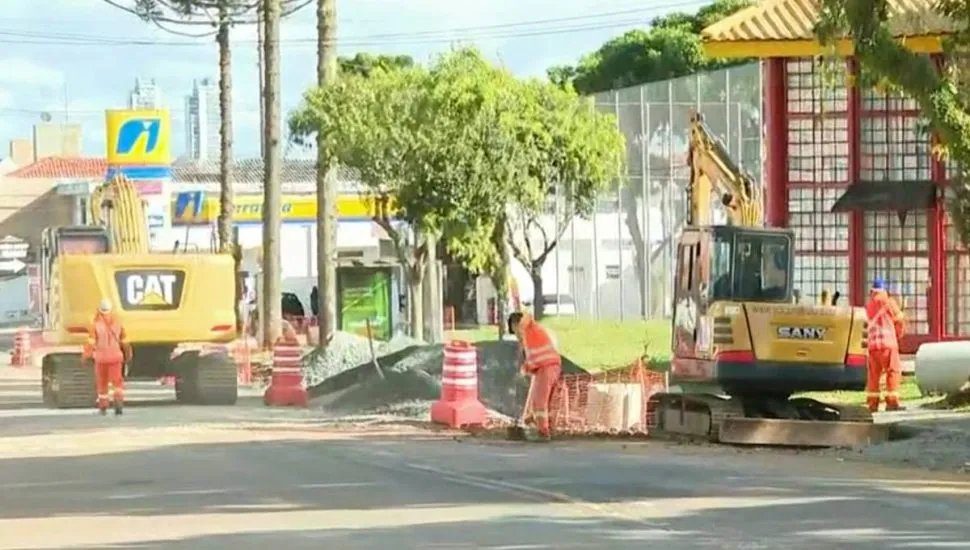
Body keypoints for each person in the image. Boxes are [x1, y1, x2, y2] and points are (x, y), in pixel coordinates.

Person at [508, 311, 561, 440]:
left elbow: (525, 319)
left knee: (539, 402)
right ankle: (534, 425)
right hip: (548, 367)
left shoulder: (528, 328)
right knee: (540, 401)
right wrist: (525, 368)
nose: (516, 336)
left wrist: (524, 369)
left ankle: (543, 432)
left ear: (516, 325)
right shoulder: (530, 334)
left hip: (547, 367)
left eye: (514, 332)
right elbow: (533, 357)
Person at [83, 298, 131, 416]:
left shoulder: (96, 325)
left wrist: (85, 356)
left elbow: (91, 343)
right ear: (111, 310)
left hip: (101, 358)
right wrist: (128, 354)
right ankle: (118, 402)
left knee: (102, 382)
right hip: (116, 357)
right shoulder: (118, 324)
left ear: (99, 310)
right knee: (117, 382)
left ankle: (103, 406)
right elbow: (125, 342)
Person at [865, 278, 905, 412]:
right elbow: (900, 320)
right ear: (885, 290)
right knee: (893, 371)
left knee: (873, 375)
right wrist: (898, 335)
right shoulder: (889, 303)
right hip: (888, 344)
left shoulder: (868, 306)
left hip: (872, 346)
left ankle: (872, 404)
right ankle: (892, 403)